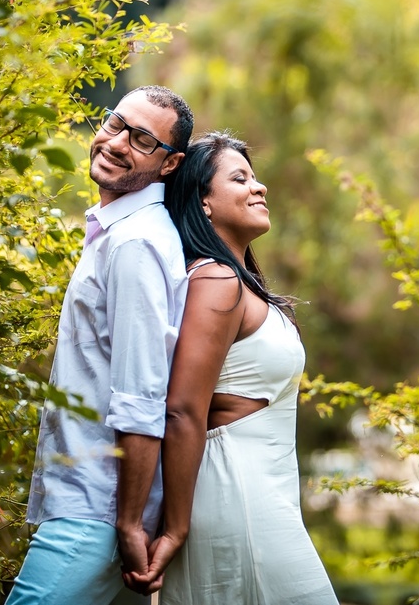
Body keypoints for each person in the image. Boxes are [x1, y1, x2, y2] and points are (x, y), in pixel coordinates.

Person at [126, 131, 338, 604]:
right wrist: (176, 528)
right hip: (236, 495)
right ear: (203, 203)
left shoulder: (236, 282)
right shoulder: (216, 280)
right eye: (240, 178)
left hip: (262, 494)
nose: (258, 187)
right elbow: (182, 409)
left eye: (255, 176)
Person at [6, 86, 193, 605]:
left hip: (100, 512)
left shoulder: (135, 243)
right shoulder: (118, 233)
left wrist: (130, 522)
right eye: (115, 124)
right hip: (91, 506)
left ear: (170, 163)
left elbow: (141, 395)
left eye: (141, 139)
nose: (115, 142)